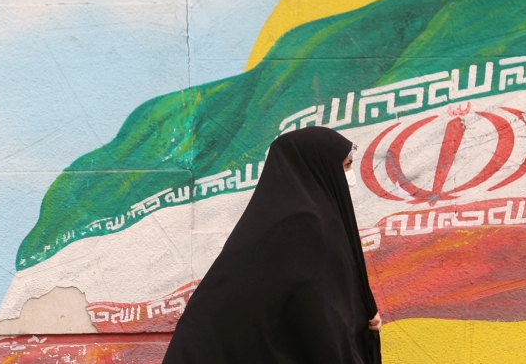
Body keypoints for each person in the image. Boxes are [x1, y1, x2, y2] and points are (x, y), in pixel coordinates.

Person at [162, 126, 382, 364]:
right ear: (319, 166)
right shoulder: (307, 226)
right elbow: (322, 312)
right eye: (346, 165)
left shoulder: (278, 221)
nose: (350, 175)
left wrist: (363, 315)